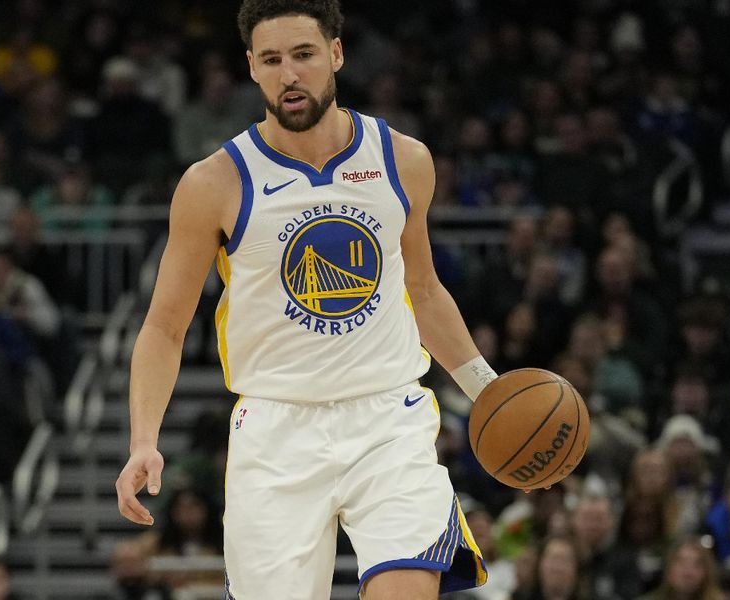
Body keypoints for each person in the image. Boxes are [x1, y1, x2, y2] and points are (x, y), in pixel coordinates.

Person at [115, 1, 500, 599]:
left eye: (304, 55)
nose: (289, 74)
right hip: (275, 428)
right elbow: (164, 327)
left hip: (386, 417)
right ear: (251, 67)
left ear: (336, 55)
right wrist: (144, 439)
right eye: (271, 60)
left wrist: (489, 390)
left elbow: (422, 290)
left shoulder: (404, 160)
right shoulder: (214, 183)